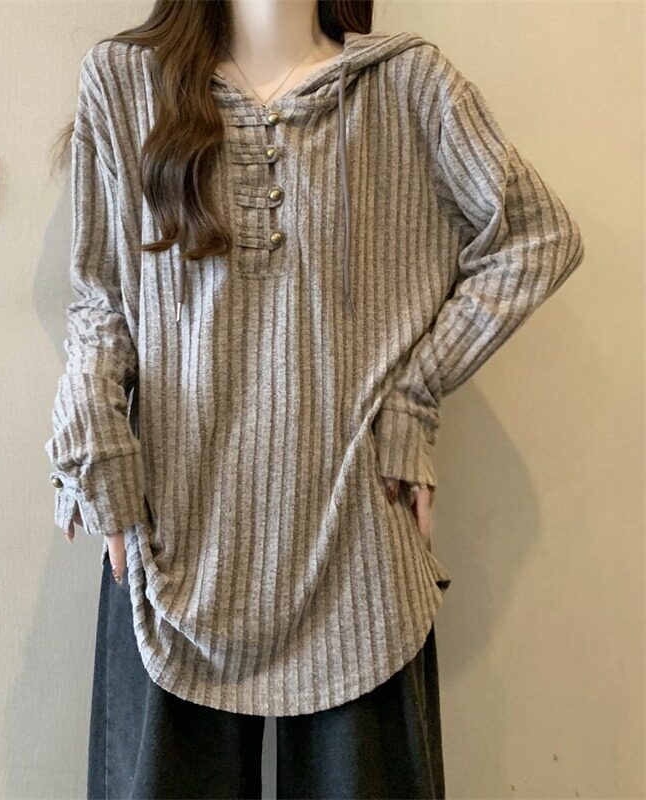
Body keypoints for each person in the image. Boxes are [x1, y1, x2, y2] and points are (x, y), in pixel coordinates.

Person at [44, 1, 585, 797]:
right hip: (168, 540)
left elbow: (537, 236)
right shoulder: (126, 84)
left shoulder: (408, 84)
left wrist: (413, 399)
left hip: (357, 543)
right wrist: (96, 448)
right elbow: (100, 301)